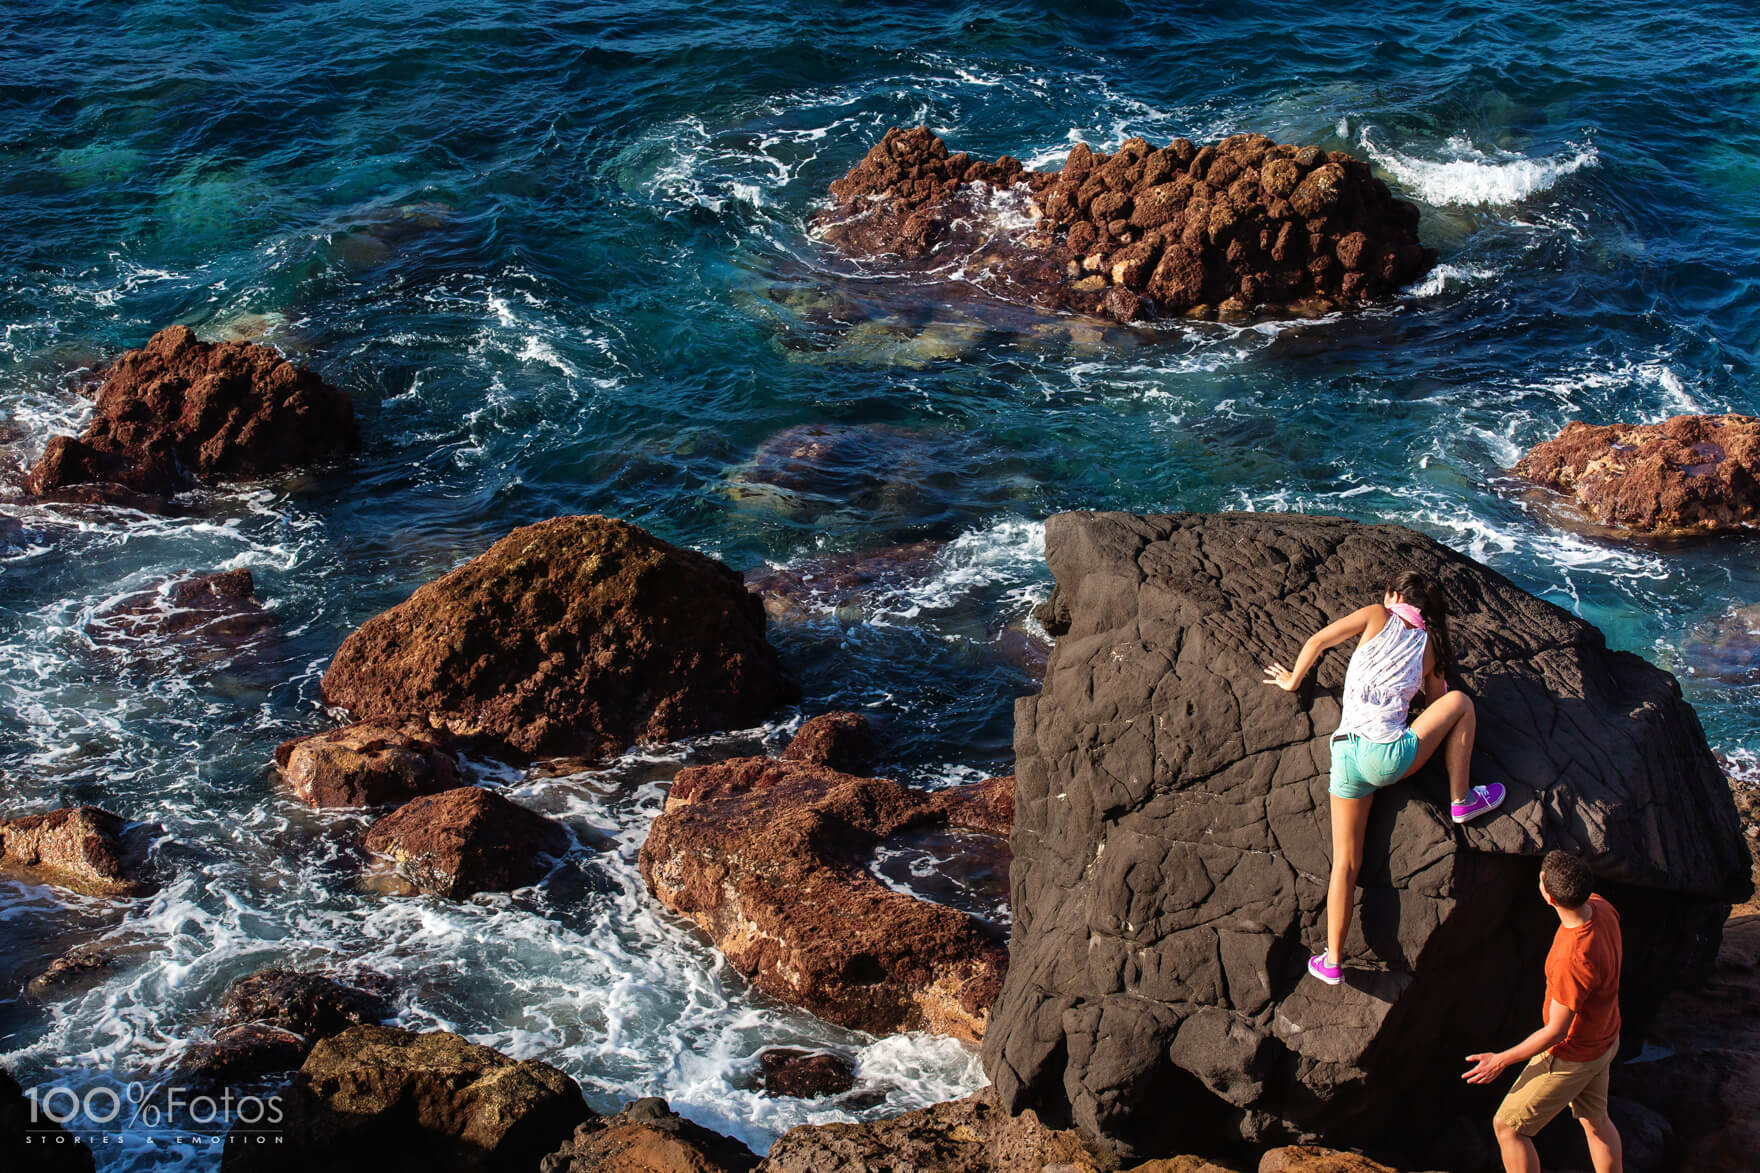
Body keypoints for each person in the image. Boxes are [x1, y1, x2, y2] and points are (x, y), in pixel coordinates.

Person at [1263, 569, 1504, 985]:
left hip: (1345, 753)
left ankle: (1333, 960)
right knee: (1462, 703)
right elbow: (1437, 708)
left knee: (1345, 862)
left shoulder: (1376, 614)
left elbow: (1319, 641)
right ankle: (1462, 800)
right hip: (1386, 757)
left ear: (1394, 596)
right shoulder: (1430, 646)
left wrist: (1292, 681)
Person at [1464, 850, 1624, 1173]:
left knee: (1508, 1127)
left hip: (1573, 1054)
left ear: (1548, 897)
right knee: (1596, 1121)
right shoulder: (1602, 908)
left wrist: (1500, 1060)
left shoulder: (1573, 957)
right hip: (1606, 1039)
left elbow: (1556, 1030)